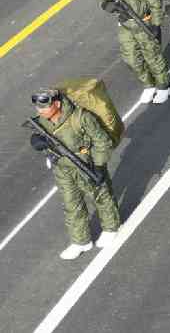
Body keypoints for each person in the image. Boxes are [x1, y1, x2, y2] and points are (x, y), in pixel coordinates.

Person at [30, 89, 121, 260]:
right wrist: (37, 141)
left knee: (100, 197)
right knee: (71, 205)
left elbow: (102, 141)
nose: (40, 111)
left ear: (57, 104)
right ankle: (81, 241)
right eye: (38, 108)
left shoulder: (81, 118)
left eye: (44, 107)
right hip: (63, 169)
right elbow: (44, 140)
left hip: (86, 165)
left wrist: (98, 165)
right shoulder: (43, 121)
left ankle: (111, 228)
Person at [98, 0, 170, 105]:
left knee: (152, 57)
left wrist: (155, 25)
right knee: (131, 58)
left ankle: (164, 86)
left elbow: (156, 5)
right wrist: (107, 5)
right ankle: (149, 84)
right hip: (126, 25)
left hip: (144, 23)